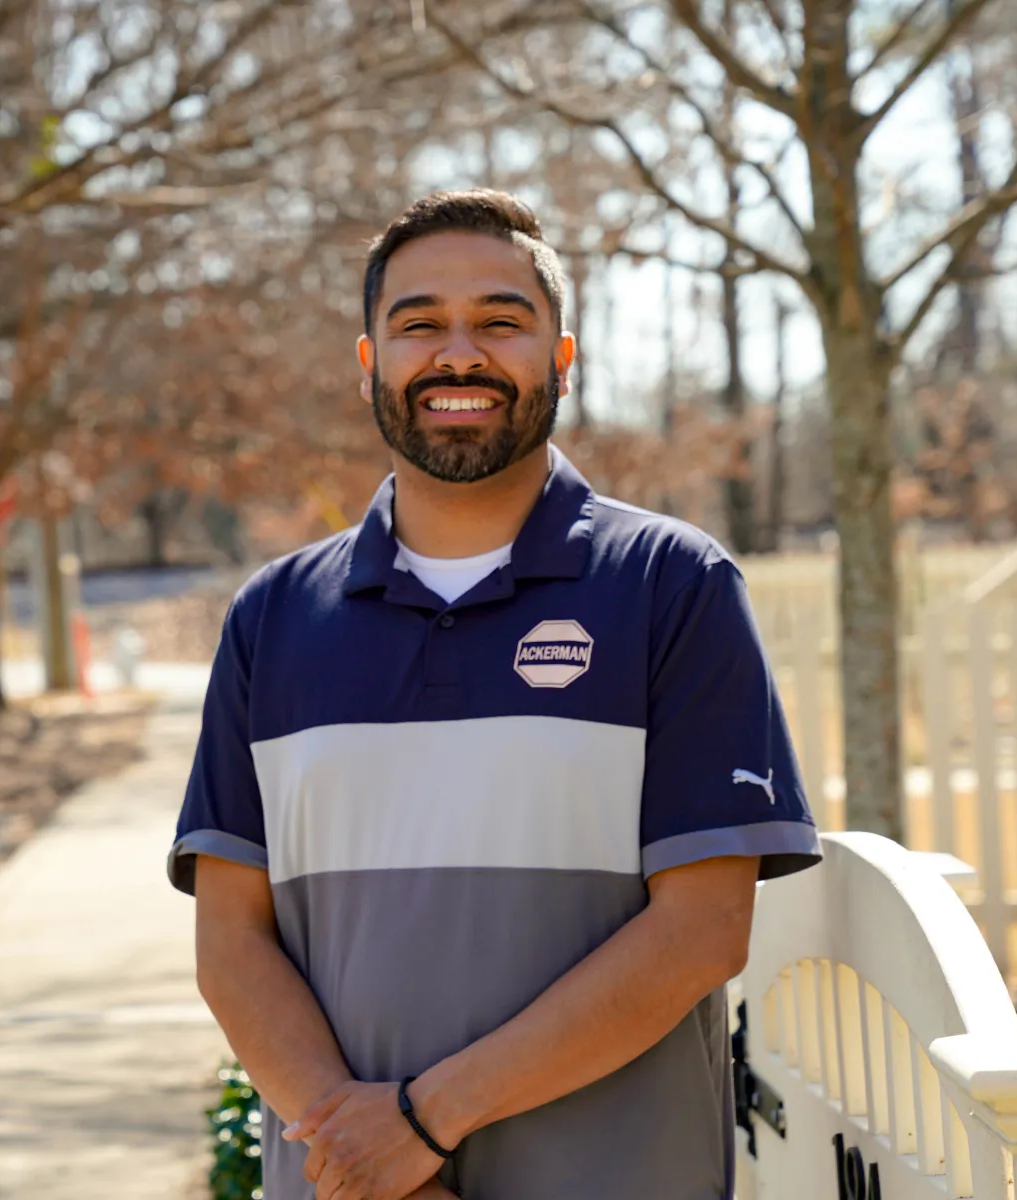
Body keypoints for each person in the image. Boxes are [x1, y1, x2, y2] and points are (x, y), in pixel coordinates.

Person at [167, 189, 822, 1200]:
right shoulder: (274, 617)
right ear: (369, 364)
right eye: (418, 324)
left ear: (561, 360)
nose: (458, 354)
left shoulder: (672, 586)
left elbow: (701, 929)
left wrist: (425, 1121)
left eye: (501, 323)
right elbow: (230, 941)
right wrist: (365, 1157)